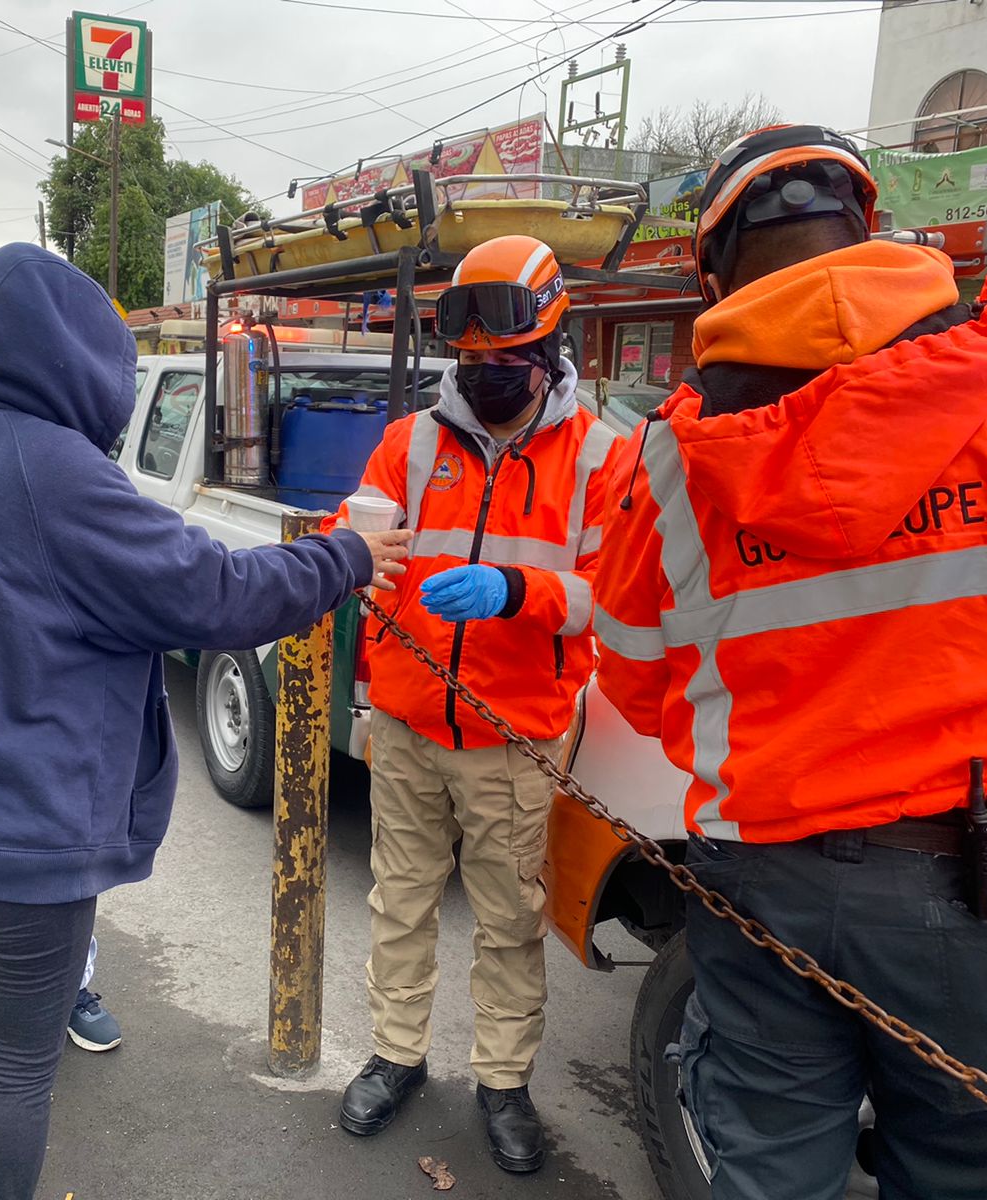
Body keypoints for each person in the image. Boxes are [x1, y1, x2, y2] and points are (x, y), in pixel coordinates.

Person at [0, 243, 411, 1200]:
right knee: (23, 1060)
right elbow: (218, 593)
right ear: (71, 358)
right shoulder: (51, 467)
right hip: (16, 834)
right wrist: (345, 556)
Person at [593, 123, 987, 1199]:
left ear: (714, 269)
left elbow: (629, 669)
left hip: (769, 870)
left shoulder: (670, 457)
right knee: (979, 1169)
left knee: (765, 1167)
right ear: (864, 223)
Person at [326, 235, 621, 1175]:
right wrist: (356, 558)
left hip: (515, 737)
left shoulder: (599, 458)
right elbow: (355, 533)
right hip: (413, 723)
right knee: (400, 901)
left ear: (548, 355)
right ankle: (396, 1055)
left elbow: (616, 593)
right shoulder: (412, 441)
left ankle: (503, 1081)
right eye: (470, 363)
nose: (484, 377)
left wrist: (518, 593)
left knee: (507, 920)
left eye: (504, 363)